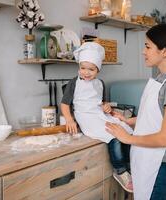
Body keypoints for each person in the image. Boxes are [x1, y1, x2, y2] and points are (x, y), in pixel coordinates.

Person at [106, 23, 166, 200]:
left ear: (164, 52)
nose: (144, 51)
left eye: (148, 46)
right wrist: (128, 121)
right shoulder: (160, 78)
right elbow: (155, 117)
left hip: (159, 166)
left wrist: (128, 138)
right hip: (146, 160)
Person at [61, 42, 133, 192]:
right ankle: (120, 171)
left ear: (98, 70)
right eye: (83, 68)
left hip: (99, 114)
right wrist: (69, 119)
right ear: (79, 67)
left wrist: (106, 107)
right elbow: (64, 104)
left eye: (91, 69)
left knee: (124, 130)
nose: (86, 72)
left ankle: (129, 167)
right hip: (86, 117)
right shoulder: (74, 83)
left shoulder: (100, 83)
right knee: (113, 136)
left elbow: (103, 103)